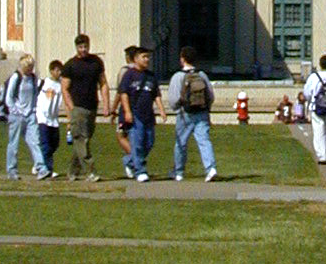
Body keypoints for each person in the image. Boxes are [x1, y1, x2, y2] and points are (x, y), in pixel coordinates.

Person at [61, 32, 108, 182]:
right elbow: (65, 88)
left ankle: (72, 171)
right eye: (80, 47)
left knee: (83, 140)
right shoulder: (70, 65)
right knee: (81, 139)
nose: (83, 49)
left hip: (92, 106)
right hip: (78, 107)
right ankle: (90, 171)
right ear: (76, 47)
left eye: (86, 46)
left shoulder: (96, 62)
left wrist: (106, 104)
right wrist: (71, 107)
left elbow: (103, 83)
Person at [168, 45, 218, 182]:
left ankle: (178, 172)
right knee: (204, 141)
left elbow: (173, 99)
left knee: (181, 143)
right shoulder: (202, 75)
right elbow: (210, 96)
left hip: (185, 114)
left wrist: (177, 109)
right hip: (201, 112)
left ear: (182, 59)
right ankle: (210, 168)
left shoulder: (178, 76)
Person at [117, 45, 166, 182]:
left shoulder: (150, 76)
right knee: (137, 142)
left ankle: (129, 161)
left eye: (148, 57)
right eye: (144, 57)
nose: (146, 60)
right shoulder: (129, 75)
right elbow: (123, 94)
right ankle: (140, 171)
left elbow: (156, 94)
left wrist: (161, 109)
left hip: (148, 115)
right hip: (135, 113)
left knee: (149, 142)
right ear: (136, 58)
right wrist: (127, 111)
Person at [4, 54, 49, 179]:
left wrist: (33, 108)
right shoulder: (16, 77)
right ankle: (11, 170)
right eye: (28, 67)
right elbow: (9, 97)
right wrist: (15, 110)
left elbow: (35, 93)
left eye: (32, 67)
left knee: (35, 141)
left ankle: (41, 168)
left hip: (30, 114)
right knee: (14, 143)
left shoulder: (33, 78)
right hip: (17, 115)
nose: (30, 69)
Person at [302, 54, 326, 165]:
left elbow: (307, 93)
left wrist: (310, 101)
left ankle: (322, 155)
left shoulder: (313, 77)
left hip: (316, 107)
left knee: (319, 131)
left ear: (320, 64)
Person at [36, 60, 64, 174]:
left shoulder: (61, 85)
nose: (59, 73)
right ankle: (47, 168)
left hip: (53, 119)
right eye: (56, 70)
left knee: (55, 143)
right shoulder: (45, 83)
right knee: (45, 144)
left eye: (60, 70)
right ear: (51, 71)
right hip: (43, 118)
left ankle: (39, 162)